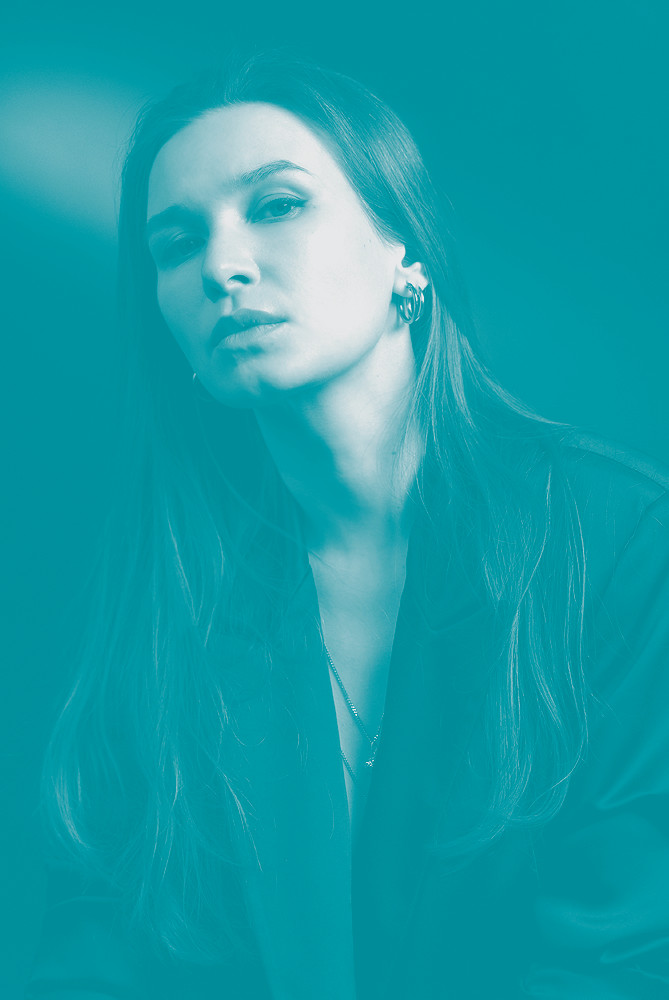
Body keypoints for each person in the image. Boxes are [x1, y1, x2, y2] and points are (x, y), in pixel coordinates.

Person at [26, 51, 669, 999]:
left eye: (277, 204)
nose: (221, 266)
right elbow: (100, 946)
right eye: (176, 243)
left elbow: (625, 956)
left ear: (403, 247)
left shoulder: (618, 542)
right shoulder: (171, 589)